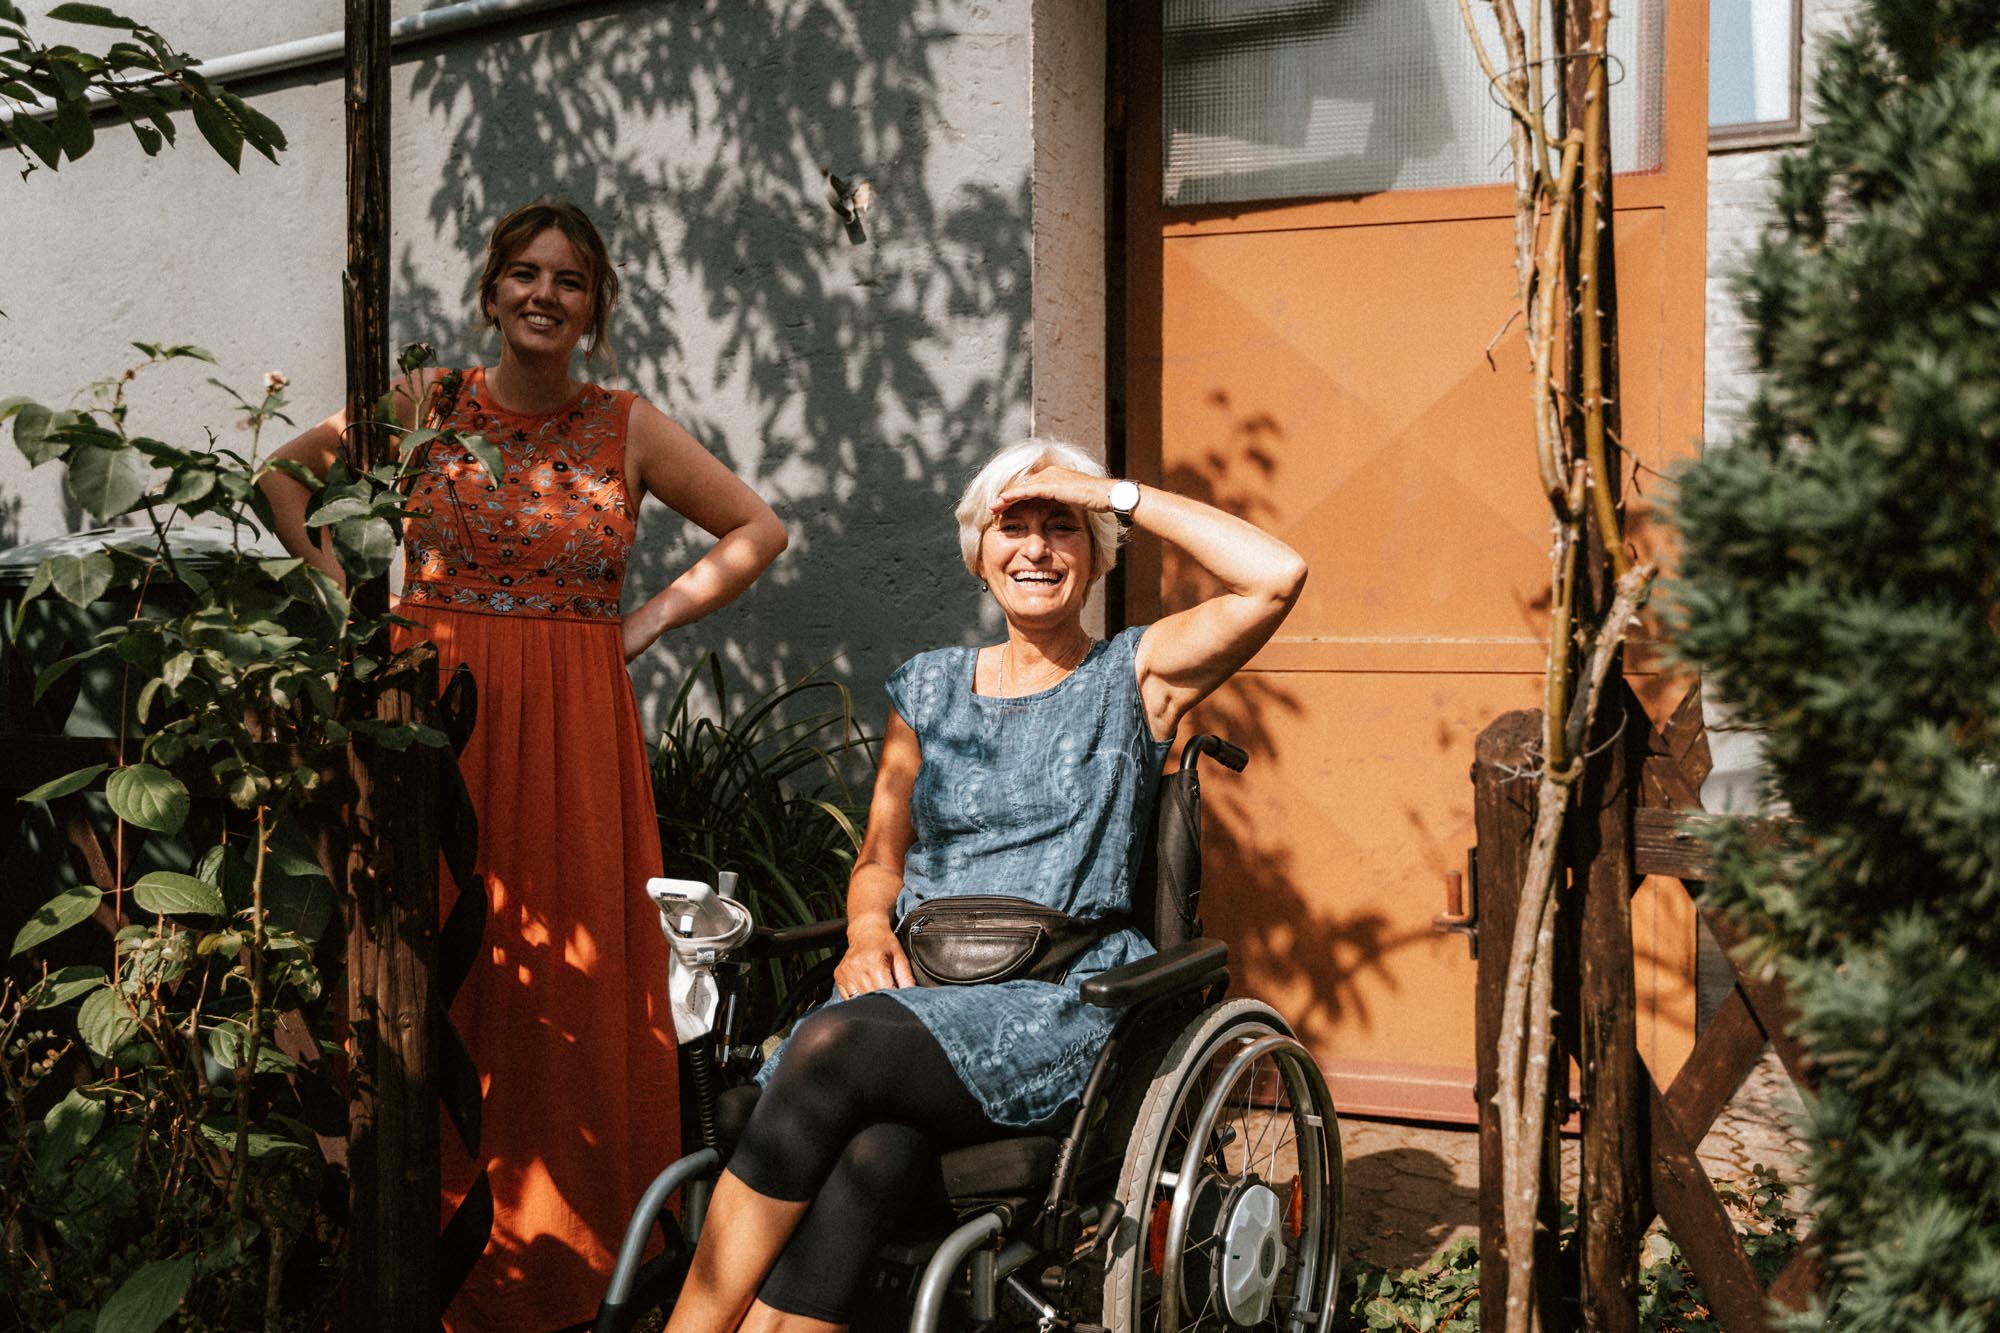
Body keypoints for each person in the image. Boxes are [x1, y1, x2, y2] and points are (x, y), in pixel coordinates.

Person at [260, 200, 788, 1331]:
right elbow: (282, 474)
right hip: (433, 716)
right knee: (437, 961)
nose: (544, 295)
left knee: (570, 973)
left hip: (574, 730)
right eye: (525, 274)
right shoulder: (429, 399)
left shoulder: (626, 424)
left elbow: (759, 530)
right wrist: (350, 603)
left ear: (594, 308)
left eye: (569, 280)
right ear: (492, 290)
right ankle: (427, 1244)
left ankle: (573, 1257)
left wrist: (640, 625)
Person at [664, 439, 1307, 1333]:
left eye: (1062, 527)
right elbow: (880, 858)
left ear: (1095, 555)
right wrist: (866, 931)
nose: (1036, 547)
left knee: (831, 1044)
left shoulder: (1137, 675)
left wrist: (1106, 491)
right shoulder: (928, 688)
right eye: (1014, 525)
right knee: (879, 1154)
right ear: (978, 551)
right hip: (921, 991)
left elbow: (1276, 576)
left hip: (1056, 1000)